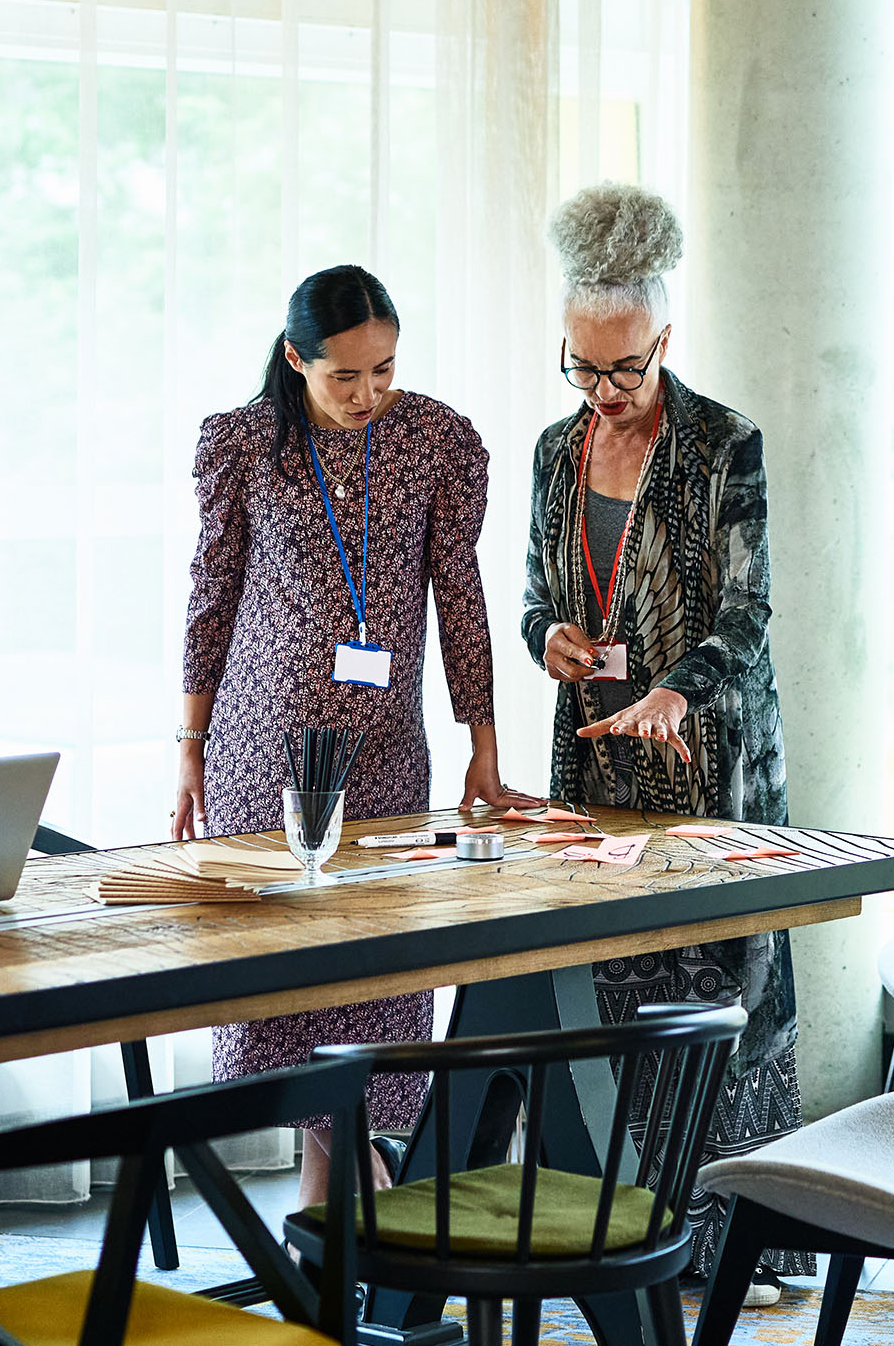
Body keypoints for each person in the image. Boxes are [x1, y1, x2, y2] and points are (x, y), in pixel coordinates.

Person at [175, 263, 533, 1209]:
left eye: (385, 371)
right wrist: (188, 744)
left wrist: (482, 737)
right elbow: (211, 600)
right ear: (297, 360)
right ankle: (342, 1195)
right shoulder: (243, 445)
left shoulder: (435, 440)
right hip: (263, 753)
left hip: (384, 757)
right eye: (347, 377)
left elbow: (460, 595)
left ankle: (335, 1205)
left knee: (377, 976)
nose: (370, 395)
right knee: (286, 982)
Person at [517, 184, 807, 1302]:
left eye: (624, 372)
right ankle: (651, 1230)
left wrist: (679, 693)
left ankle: (752, 1239)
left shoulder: (725, 445)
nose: (602, 393)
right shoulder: (555, 450)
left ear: (665, 341)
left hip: (707, 761)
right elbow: (539, 589)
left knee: (727, 993)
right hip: (598, 762)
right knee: (627, 999)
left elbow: (749, 612)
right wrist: (552, 639)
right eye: (581, 370)